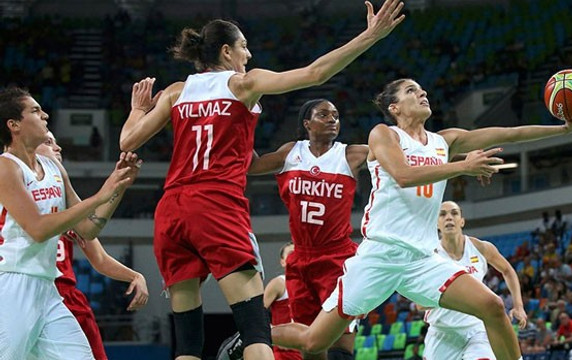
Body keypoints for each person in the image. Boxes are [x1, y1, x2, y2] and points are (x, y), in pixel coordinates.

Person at [118, 3, 405, 360]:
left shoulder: (177, 91)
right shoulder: (243, 83)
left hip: (171, 210)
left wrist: (136, 110)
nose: (249, 53)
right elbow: (315, 74)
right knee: (255, 328)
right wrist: (370, 36)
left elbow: (127, 142)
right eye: (244, 46)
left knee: (188, 339)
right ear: (227, 51)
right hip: (216, 205)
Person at [265, 78, 572, 360]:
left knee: (493, 306)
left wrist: (563, 129)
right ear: (394, 107)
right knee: (315, 342)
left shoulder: (445, 141)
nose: (421, 93)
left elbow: (508, 134)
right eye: (411, 91)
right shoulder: (384, 134)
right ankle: (253, 336)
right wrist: (463, 167)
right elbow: (404, 174)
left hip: (422, 258)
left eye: (422, 89)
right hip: (379, 255)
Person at [0, 87, 140, 359]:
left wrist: (117, 187)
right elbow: (39, 229)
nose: (45, 115)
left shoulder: (54, 169)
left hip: (47, 287)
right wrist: (101, 194)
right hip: (11, 284)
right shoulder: (6, 167)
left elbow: (87, 228)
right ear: (14, 124)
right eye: (36, 111)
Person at [247, 98, 367, 360]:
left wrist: (463, 160)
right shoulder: (292, 152)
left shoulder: (350, 154)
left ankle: (252, 335)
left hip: (338, 257)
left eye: (336, 115)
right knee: (310, 347)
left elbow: (404, 155)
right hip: (300, 259)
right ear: (306, 123)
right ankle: (249, 337)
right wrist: (239, 122)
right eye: (323, 115)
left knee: (340, 344)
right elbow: (251, 165)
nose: (332, 119)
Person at [36, 131, 149, 360]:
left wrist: (118, 186)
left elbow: (95, 246)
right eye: (48, 142)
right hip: (21, 289)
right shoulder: (10, 181)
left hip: (63, 296)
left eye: (57, 142)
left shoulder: (62, 194)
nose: (58, 148)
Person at [422, 201, 527, 360]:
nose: (449, 218)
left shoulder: (480, 248)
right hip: (442, 332)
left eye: (454, 213)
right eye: (442, 214)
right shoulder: (428, 255)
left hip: (478, 329)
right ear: (436, 223)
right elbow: (420, 303)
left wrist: (518, 306)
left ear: (462, 221)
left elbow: (508, 270)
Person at [263, 243, 302, 360]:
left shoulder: (314, 286)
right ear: (283, 262)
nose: (295, 257)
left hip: (310, 351)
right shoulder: (279, 283)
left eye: (298, 254)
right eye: (290, 254)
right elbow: (255, 317)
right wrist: (275, 335)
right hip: (285, 354)